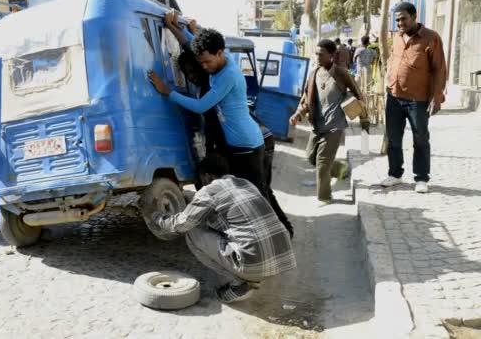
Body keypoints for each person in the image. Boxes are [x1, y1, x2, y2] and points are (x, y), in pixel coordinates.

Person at [143, 154, 296, 303]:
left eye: (201, 178)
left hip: (253, 263)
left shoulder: (209, 191)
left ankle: (238, 282)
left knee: (191, 231)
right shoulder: (245, 183)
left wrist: (156, 215)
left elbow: (181, 225)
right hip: (282, 258)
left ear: (207, 176)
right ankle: (252, 274)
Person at [148, 28, 268, 199]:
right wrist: (177, 27)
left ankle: (272, 226)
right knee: (242, 197)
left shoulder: (228, 75)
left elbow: (201, 106)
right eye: (201, 63)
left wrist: (168, 92)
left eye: (207, 62)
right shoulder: (219, 59)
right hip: (237, 144)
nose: (204, 67)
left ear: (219, 53)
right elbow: (194, 45)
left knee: (257, 198)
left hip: (246, 146)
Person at [380, 2, 447, 193]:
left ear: (414, 16)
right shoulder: (397, 37)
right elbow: (393, 60)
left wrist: (437, 96)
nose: (400, 23)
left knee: (420, 138)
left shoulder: (431, 38)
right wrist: (388, 79)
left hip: (417, 100)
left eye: (403, 19)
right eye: (397, 19)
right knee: (393, 138)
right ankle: (395, 174)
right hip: (394, 96)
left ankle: (422, 178)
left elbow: (439, 69)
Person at [289, 39, 366, 205]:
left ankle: (325, 196)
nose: (317, 57)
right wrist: (297, 114)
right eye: (316, 54)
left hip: (335, 126)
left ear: (332, 55)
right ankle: (340, 169)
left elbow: (358, 95)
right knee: (311, 158)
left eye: (321, 54)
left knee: (322, 162)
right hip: (317, 125)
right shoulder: (313, 74)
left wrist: (364, 120)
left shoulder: (341, 73)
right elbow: (305, 99)